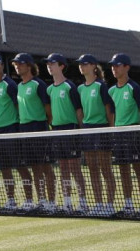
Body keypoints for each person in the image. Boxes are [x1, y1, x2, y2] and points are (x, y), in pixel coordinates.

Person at [12, 52, 57, 213]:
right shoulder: (19, 86)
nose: (17, 66)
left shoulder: (39, 84)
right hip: (25, 129)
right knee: (35, 168)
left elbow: (48, 110)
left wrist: (47, 126)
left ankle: (51, 202)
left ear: (29, 65)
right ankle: (42, 201)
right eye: (15, 64)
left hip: (39, 128)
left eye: (20, 63)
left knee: (45, 167)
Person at [108, 53, 140, 216]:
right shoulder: (111, 90)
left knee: (139, 170)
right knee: (123, 170)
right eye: (113, 66)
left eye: (117, 65)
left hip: (133, 132)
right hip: (118, 133)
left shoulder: (134, 88)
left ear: (126, 67)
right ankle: (128, 205)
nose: (114, 68)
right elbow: (112, 114)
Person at [0, 51, 32, 211]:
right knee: (5, 168)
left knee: (20, 165)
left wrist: (18, 129)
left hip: (12, 129)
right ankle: (11, 200)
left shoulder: (10, 84)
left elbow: (18, 106)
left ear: (1, 65)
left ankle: (29, 200)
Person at [45, 53, 86, 214]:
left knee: (75, 168)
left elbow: (78, 110)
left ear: (61, 66)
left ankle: (82, 202)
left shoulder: (70, 87)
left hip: (71, 129)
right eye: (48, 64)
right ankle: (67, 202)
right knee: (63, 169)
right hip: (56, 130)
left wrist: (80, 131)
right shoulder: (49, 89)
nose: (49, 66)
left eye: (52, 63)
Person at [76, 53, 116, 216]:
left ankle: (110, 204)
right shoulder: (79, 88)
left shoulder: (101, 86)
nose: (81, 66)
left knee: (105, 169)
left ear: (93, 66)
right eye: (80, 64)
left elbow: (109, 110)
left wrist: (110, 130)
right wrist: (83, 129)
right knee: (92, 169)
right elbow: (80, 112)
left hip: (102, 129)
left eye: (85, 64)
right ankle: (98, 203)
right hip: (88, 130)